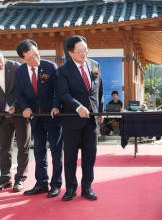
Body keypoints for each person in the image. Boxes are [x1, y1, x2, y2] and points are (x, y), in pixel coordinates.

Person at [57, 35, 103, 201]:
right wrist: (78, 106)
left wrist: (100, 112)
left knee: (90, 156)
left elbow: (99, 91)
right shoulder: (63, 70)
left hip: (91, 120)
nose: (84, 54)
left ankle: (87, 187)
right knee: (70, 157)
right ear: (71, 53)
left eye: (85, 49)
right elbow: (63, 94)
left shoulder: (94, 65)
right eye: (80, 51)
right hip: (71, 121)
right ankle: (70, 188)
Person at [15, 39, 63, 198]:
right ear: (22, 59)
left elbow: (58, 91)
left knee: (56, 150)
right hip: (35, 117)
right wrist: (26, 107)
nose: (35, 60)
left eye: (37, 55)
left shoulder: (50, 66)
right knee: (39, 151)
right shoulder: (19, 71)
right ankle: (41, 183)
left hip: (52, 115)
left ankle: (56, 184)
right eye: (30, 58)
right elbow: (20, 94)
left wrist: (56, 106)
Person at [0, 52, 31, 192]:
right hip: (2, 115)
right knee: (4, 148)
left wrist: (15, 105)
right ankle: (5, 178)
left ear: (2, 57)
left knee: (23, 146)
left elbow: (24, 90)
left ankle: (20, 179)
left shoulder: (16, 67)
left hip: (19, 113)